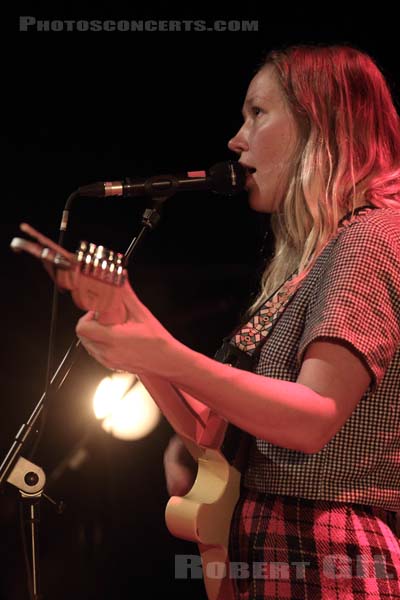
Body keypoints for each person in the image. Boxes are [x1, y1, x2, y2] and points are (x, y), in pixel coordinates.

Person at [76, 44, 400, 598]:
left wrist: (163, 355)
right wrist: (130, 326)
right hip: (276, 546)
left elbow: (312, 418)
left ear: (317, 122)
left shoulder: (369, 238)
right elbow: (209, 428)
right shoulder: (311, 262)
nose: (236, 138)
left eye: (257, 112)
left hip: (329, 549)